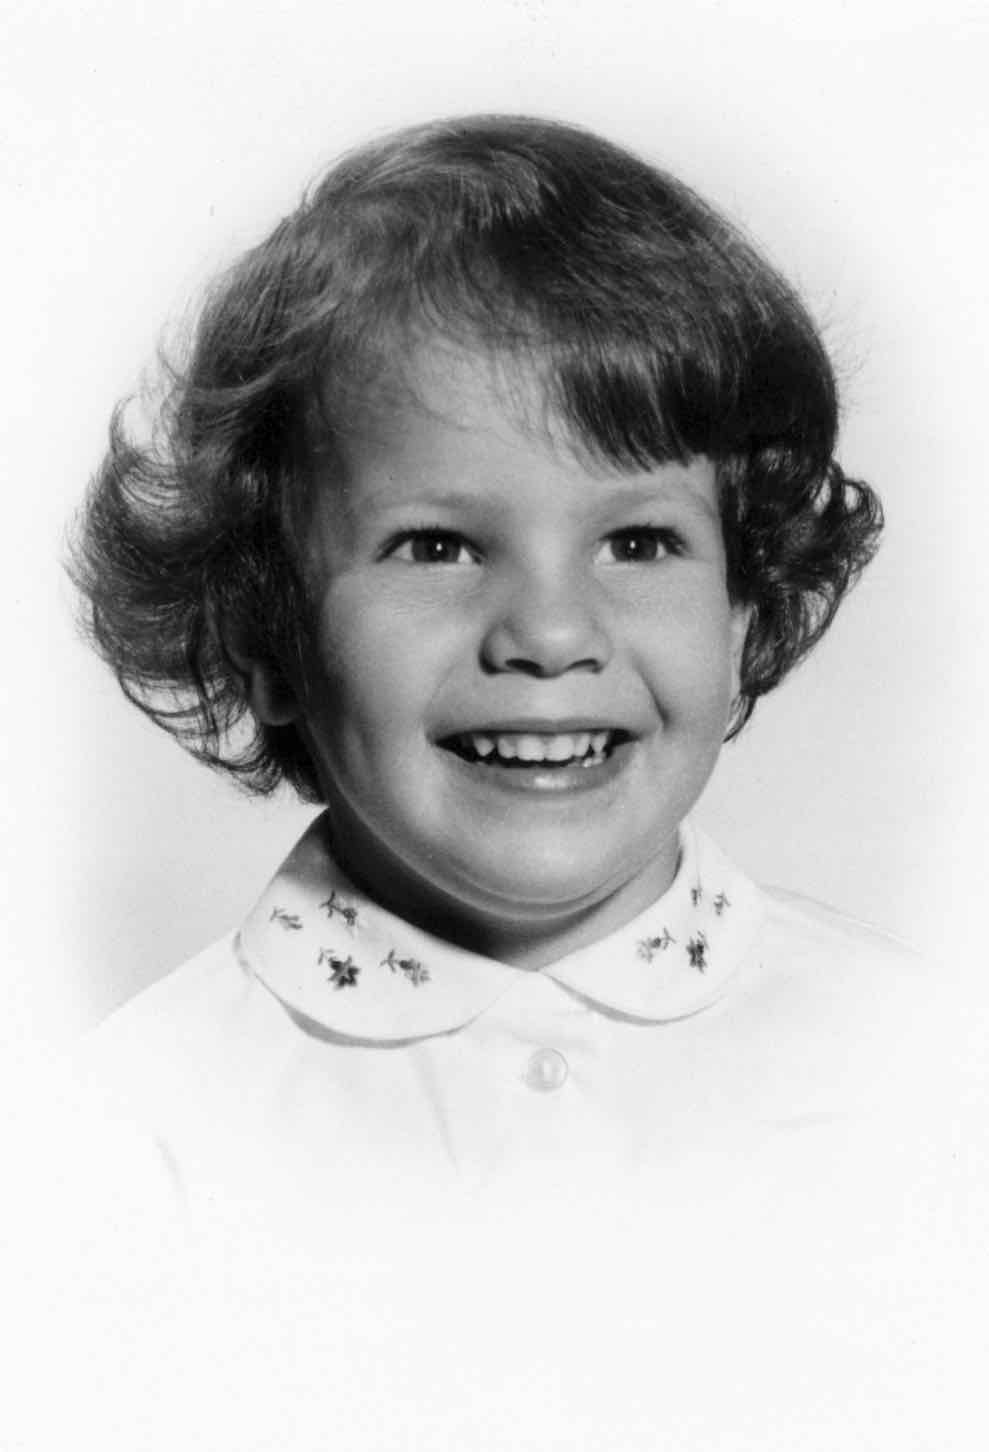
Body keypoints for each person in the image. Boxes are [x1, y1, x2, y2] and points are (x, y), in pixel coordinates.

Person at [63, 113, 929, 1222]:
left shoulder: (932, 1074)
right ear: (264, 632)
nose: (551, 635)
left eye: (637, 542)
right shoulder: (125, 1139)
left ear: (738, 612)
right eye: (437, 548)